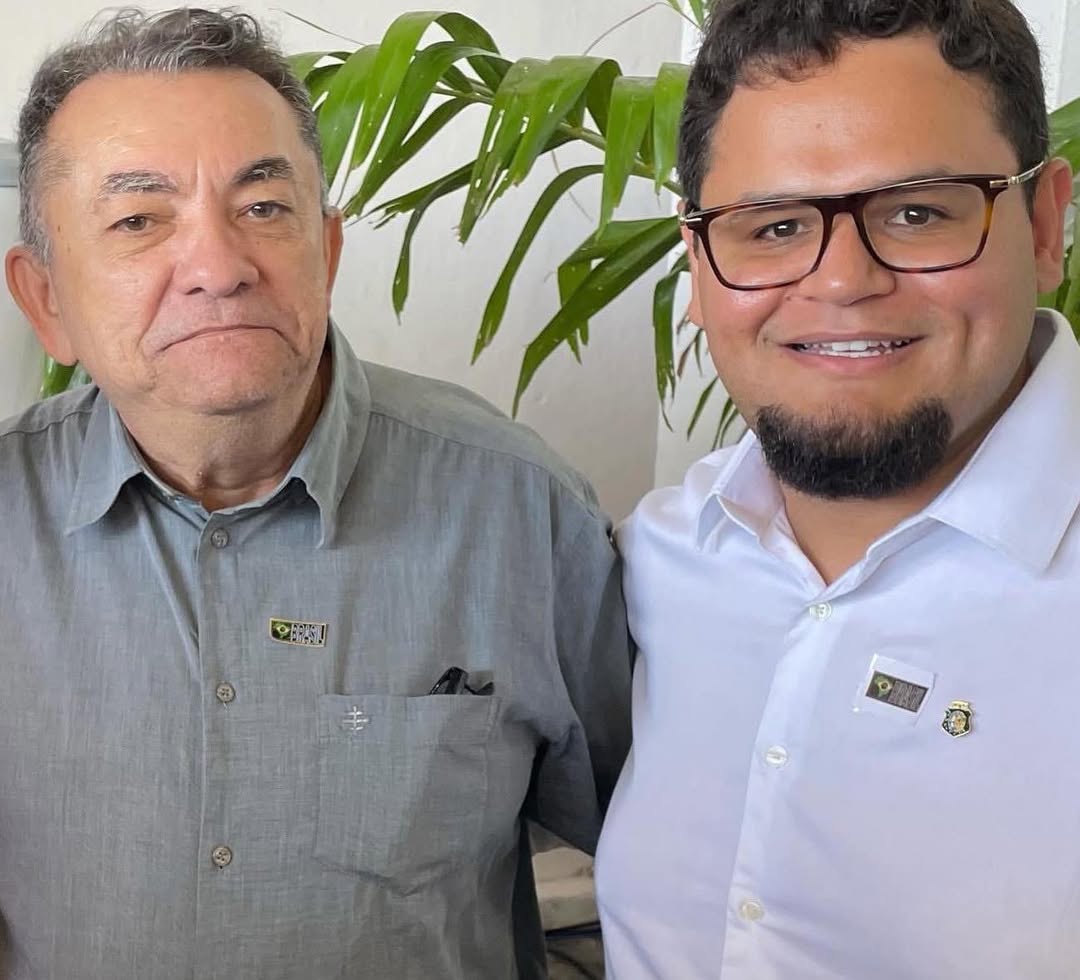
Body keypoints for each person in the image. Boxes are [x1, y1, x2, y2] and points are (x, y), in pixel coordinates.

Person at [0, 8, 631, 979]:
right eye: (139, 219)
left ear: (327, 253)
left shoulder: (521, 511)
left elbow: (676, 861)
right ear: (46, 299)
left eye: (263, 207)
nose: (219, 268)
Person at [593, 0, 1077, 977]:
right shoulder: (655, 559)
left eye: (917, 212)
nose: (843, 281)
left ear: (1043, 224)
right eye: (773, 226)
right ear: (698, 264)